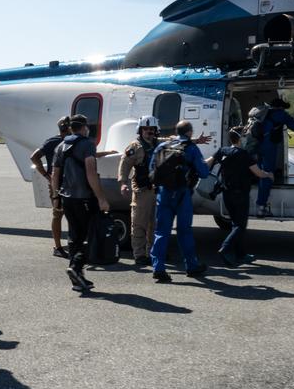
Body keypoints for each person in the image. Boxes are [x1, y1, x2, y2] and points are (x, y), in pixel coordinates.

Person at [50, 114, 110, 292]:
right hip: (84, 197)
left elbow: (55, 175)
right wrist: (101, 198)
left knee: (74, 235)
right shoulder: (87, 145)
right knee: (89, 235)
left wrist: (55, 197)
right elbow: (91, 173)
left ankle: (78, 278)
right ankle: (76, 267)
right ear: (84, 127)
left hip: (67, 198)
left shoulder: (61, 146)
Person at [148, 120, 212, 282]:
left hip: (163, 194)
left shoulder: (162, 147)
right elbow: (204, 173)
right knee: (184, 232)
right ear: (190, 132)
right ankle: (191, 266)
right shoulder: (191, 148)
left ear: (176, 131)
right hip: (182, 195)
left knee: (161, 232)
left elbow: (151, 170)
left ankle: (158, 268)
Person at [207, 128, 273, 266]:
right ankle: (225, 248)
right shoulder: (245, 155)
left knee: (235, 223)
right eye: (244, 136)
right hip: (240, 195)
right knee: (240, 225)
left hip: (226, 193)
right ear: (240, 138)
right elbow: (258, 173)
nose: (245, 138)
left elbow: (208, 162)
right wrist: (268, 175)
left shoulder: (222, 151)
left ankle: (241, 254)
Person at [117, 115, 160, 269]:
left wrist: (195, 140)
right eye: (145, 129)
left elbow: (176, 139)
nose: (148, 131)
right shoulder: (134, 147)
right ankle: (139, 255)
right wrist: (123, 183)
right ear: (140, 130)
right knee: (139, 224)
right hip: (142, 191)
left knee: (155, 225)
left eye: (151, 129)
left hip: (157, 190)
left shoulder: (159, 143)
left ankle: (152, 252)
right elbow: (125, 164)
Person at [253, 97, 294, 217]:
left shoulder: (264, 113)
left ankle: (262, 203)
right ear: (281, 107)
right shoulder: (281, 115)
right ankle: (261, 207)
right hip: (269, 148)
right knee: (267, 175)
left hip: (258, 146)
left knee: (262, 174)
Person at [30, 115, 71, 259]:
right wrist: (47, 176)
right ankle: (58, 246)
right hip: (58, 184)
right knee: (59, 214)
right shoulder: (54, 142)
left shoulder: (54, 141)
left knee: (63, 214)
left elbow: (34, 157)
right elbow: (34, 157)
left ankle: (62, 245)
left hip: (65, 183)